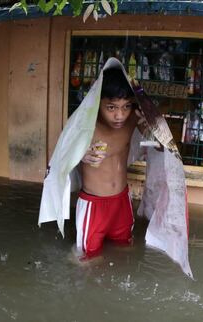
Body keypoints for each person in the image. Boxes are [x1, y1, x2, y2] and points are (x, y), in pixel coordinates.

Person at [75, 67, 143, 260]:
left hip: (122, 200)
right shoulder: (85, 127)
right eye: (111, 107)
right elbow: (61, 156)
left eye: (126, 106)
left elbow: (161, 145)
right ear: (98, 103)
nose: (120, 115)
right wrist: (78, 155)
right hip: (94, 206)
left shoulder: (133, 120)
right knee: (85, 258)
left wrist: (151, 128)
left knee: (125, 249)